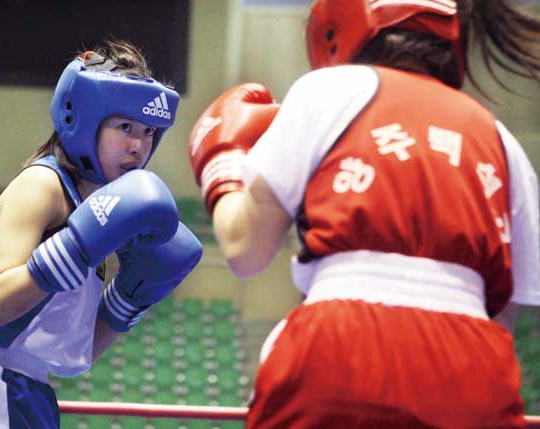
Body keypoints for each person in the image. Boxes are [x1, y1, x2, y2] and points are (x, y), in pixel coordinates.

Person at [188, 1, 540, 428]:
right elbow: (503, 317)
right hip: (475, 365)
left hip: (339, 346)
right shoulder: (502, 142)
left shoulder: (331, 90)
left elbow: (246, 250)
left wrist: (219, 164)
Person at [0, 39, 202, 428]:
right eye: (124, 126)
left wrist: (130, 298)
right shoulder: (42, 186)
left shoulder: (97, 210)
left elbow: (77, 354)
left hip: (31, 390)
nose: (137, 146)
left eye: (148, 131)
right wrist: (75, 249)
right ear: (81, 118)